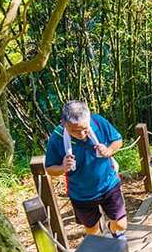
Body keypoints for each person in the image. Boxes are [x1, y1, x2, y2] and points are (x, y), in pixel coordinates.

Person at [44, 101, 127, 238]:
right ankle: (102, 246)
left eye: (85, 128)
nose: (81, 134)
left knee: (121, 225)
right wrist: (63, 167)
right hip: (81, 194)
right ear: (63, 123)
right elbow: (50, 169)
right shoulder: (57, 137)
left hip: (108, 184)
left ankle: (113, 230)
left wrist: (109, 150)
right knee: (92, 231)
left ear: (89, 119)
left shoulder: (98, 122)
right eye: (74, 131)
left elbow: (117, 140)